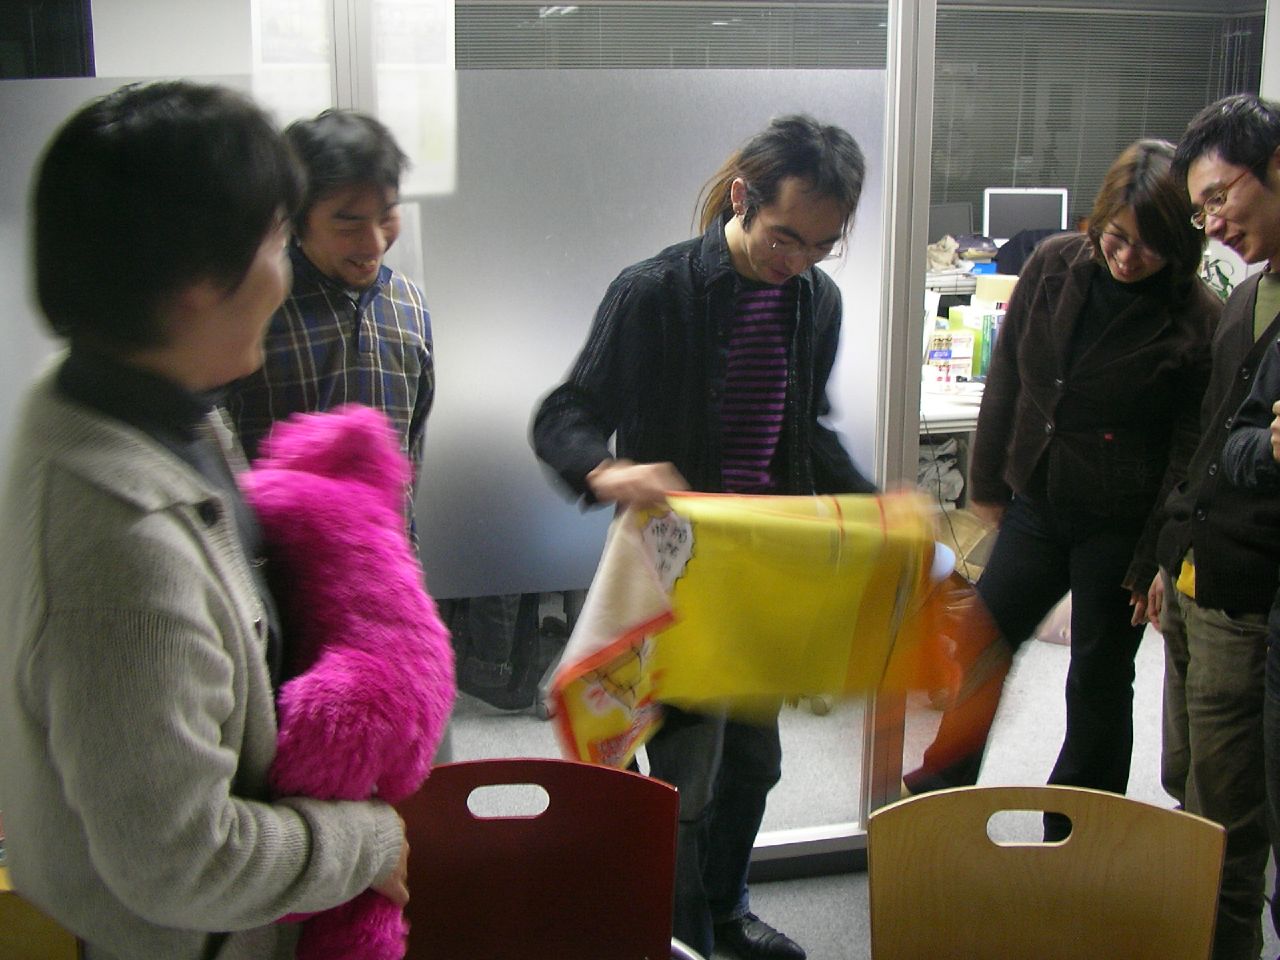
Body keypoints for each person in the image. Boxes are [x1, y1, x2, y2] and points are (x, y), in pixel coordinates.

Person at [0, 81, 408, 960]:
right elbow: (182, 860)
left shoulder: (148, 400)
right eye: (274, 235)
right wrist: (365, 842)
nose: (285, 266)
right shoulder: (120, 556)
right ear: (193, 287)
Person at [532, 115, 875, 960]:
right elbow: (567, 416)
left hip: (760, 575)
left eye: (821, 246)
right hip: (673, 577)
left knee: (754, 768)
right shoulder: (656, 292)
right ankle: (678, 938)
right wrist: (612, 474)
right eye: (785, 236)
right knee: (685, 781)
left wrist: (869, 509)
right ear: (741, 197)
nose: (796, 260)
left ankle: (723, 912)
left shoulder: (814, 302)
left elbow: (805, 430)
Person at [903, 140, 1221, 842]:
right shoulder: (1052, 264)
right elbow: (1010, 378)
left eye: (1151, 247)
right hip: (1039, 505)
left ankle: (1077, 828)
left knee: (1099, 682)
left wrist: (1153, 561)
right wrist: (987, 486)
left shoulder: (1197, 317)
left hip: (1122, 522)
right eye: (1117, 236)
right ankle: (936, 795)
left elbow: (1187, 453)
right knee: (982, 646)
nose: (1129, 257)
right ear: (1098, 219)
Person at [1153, 93, 1280, 960]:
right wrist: (1167, 556)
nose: (1212, 222)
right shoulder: (1248, 297)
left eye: (1220, 196)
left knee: (1227, 821)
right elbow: (1210, 443)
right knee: (1183, 784)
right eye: (1199, 209)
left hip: (1247, 597)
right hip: (1195, 576)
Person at [227, 108, 434, 529]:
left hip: (385, 560)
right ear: (297, 220)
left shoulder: (408, 303)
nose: (374, 241)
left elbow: (410, 452)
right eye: (348, 221)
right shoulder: (260, 308)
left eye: (386, 215)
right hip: (278, 571)